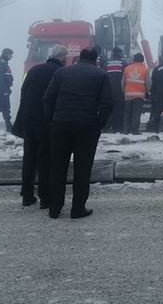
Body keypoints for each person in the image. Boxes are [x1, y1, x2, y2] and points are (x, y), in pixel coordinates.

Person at [43, 47, 112, 219]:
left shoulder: (61, 73)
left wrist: (52, 120)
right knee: (82, 169)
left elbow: (48, 98)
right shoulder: (101, 75)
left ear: (79, 58)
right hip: (87, 127)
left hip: (60, 125)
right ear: (96, 60)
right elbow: (107, 103)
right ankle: (77, 208)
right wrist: (99, 124)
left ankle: (54, 208)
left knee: (57, 167)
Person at [13, 45, 67, 208]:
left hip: (29, 119)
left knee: (29, 158)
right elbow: (59, 99)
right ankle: (45, 198)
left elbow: (24, 92)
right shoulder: (60, 73)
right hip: (46, 121)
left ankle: (27, 195)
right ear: (63, 58)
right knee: (46, 160)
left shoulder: (34, 70)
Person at [122, 53, 149, 135]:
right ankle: (134, 131)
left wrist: (125, 92)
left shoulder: (127, 69)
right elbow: (148, 83)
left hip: (128, 95)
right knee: (136, 114)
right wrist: (146, 91)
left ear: (134, 59)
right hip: (139, 95)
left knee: (127, 114)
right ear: (142, 60)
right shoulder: (145, 70)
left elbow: (122, 82)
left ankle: (126, 130)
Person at [104, 47, 127, 133]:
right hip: (120, 90)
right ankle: (118, 127)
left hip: (109, 89)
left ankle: (108, 126)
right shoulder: (123, 63)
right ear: (120, 53)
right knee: (119, 109)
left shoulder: (107, 63)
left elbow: (104, 76)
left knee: (110, 109)